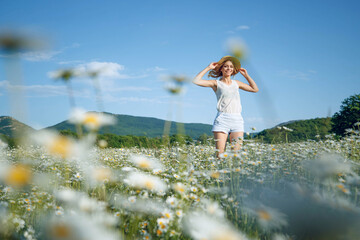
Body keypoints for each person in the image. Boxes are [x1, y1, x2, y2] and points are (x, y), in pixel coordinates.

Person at [193, 56, 258, 158]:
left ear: (233, 70)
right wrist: (208, 68)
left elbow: (255, 89)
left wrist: (246, 76)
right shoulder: (216, 83)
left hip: (237, 119)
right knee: (220, 155)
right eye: (226, 66)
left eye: (231, 67)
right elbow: (196, 81)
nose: (229, 69)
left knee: (236, 156)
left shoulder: (237, 84)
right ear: (221, 69)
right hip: (222, 119)